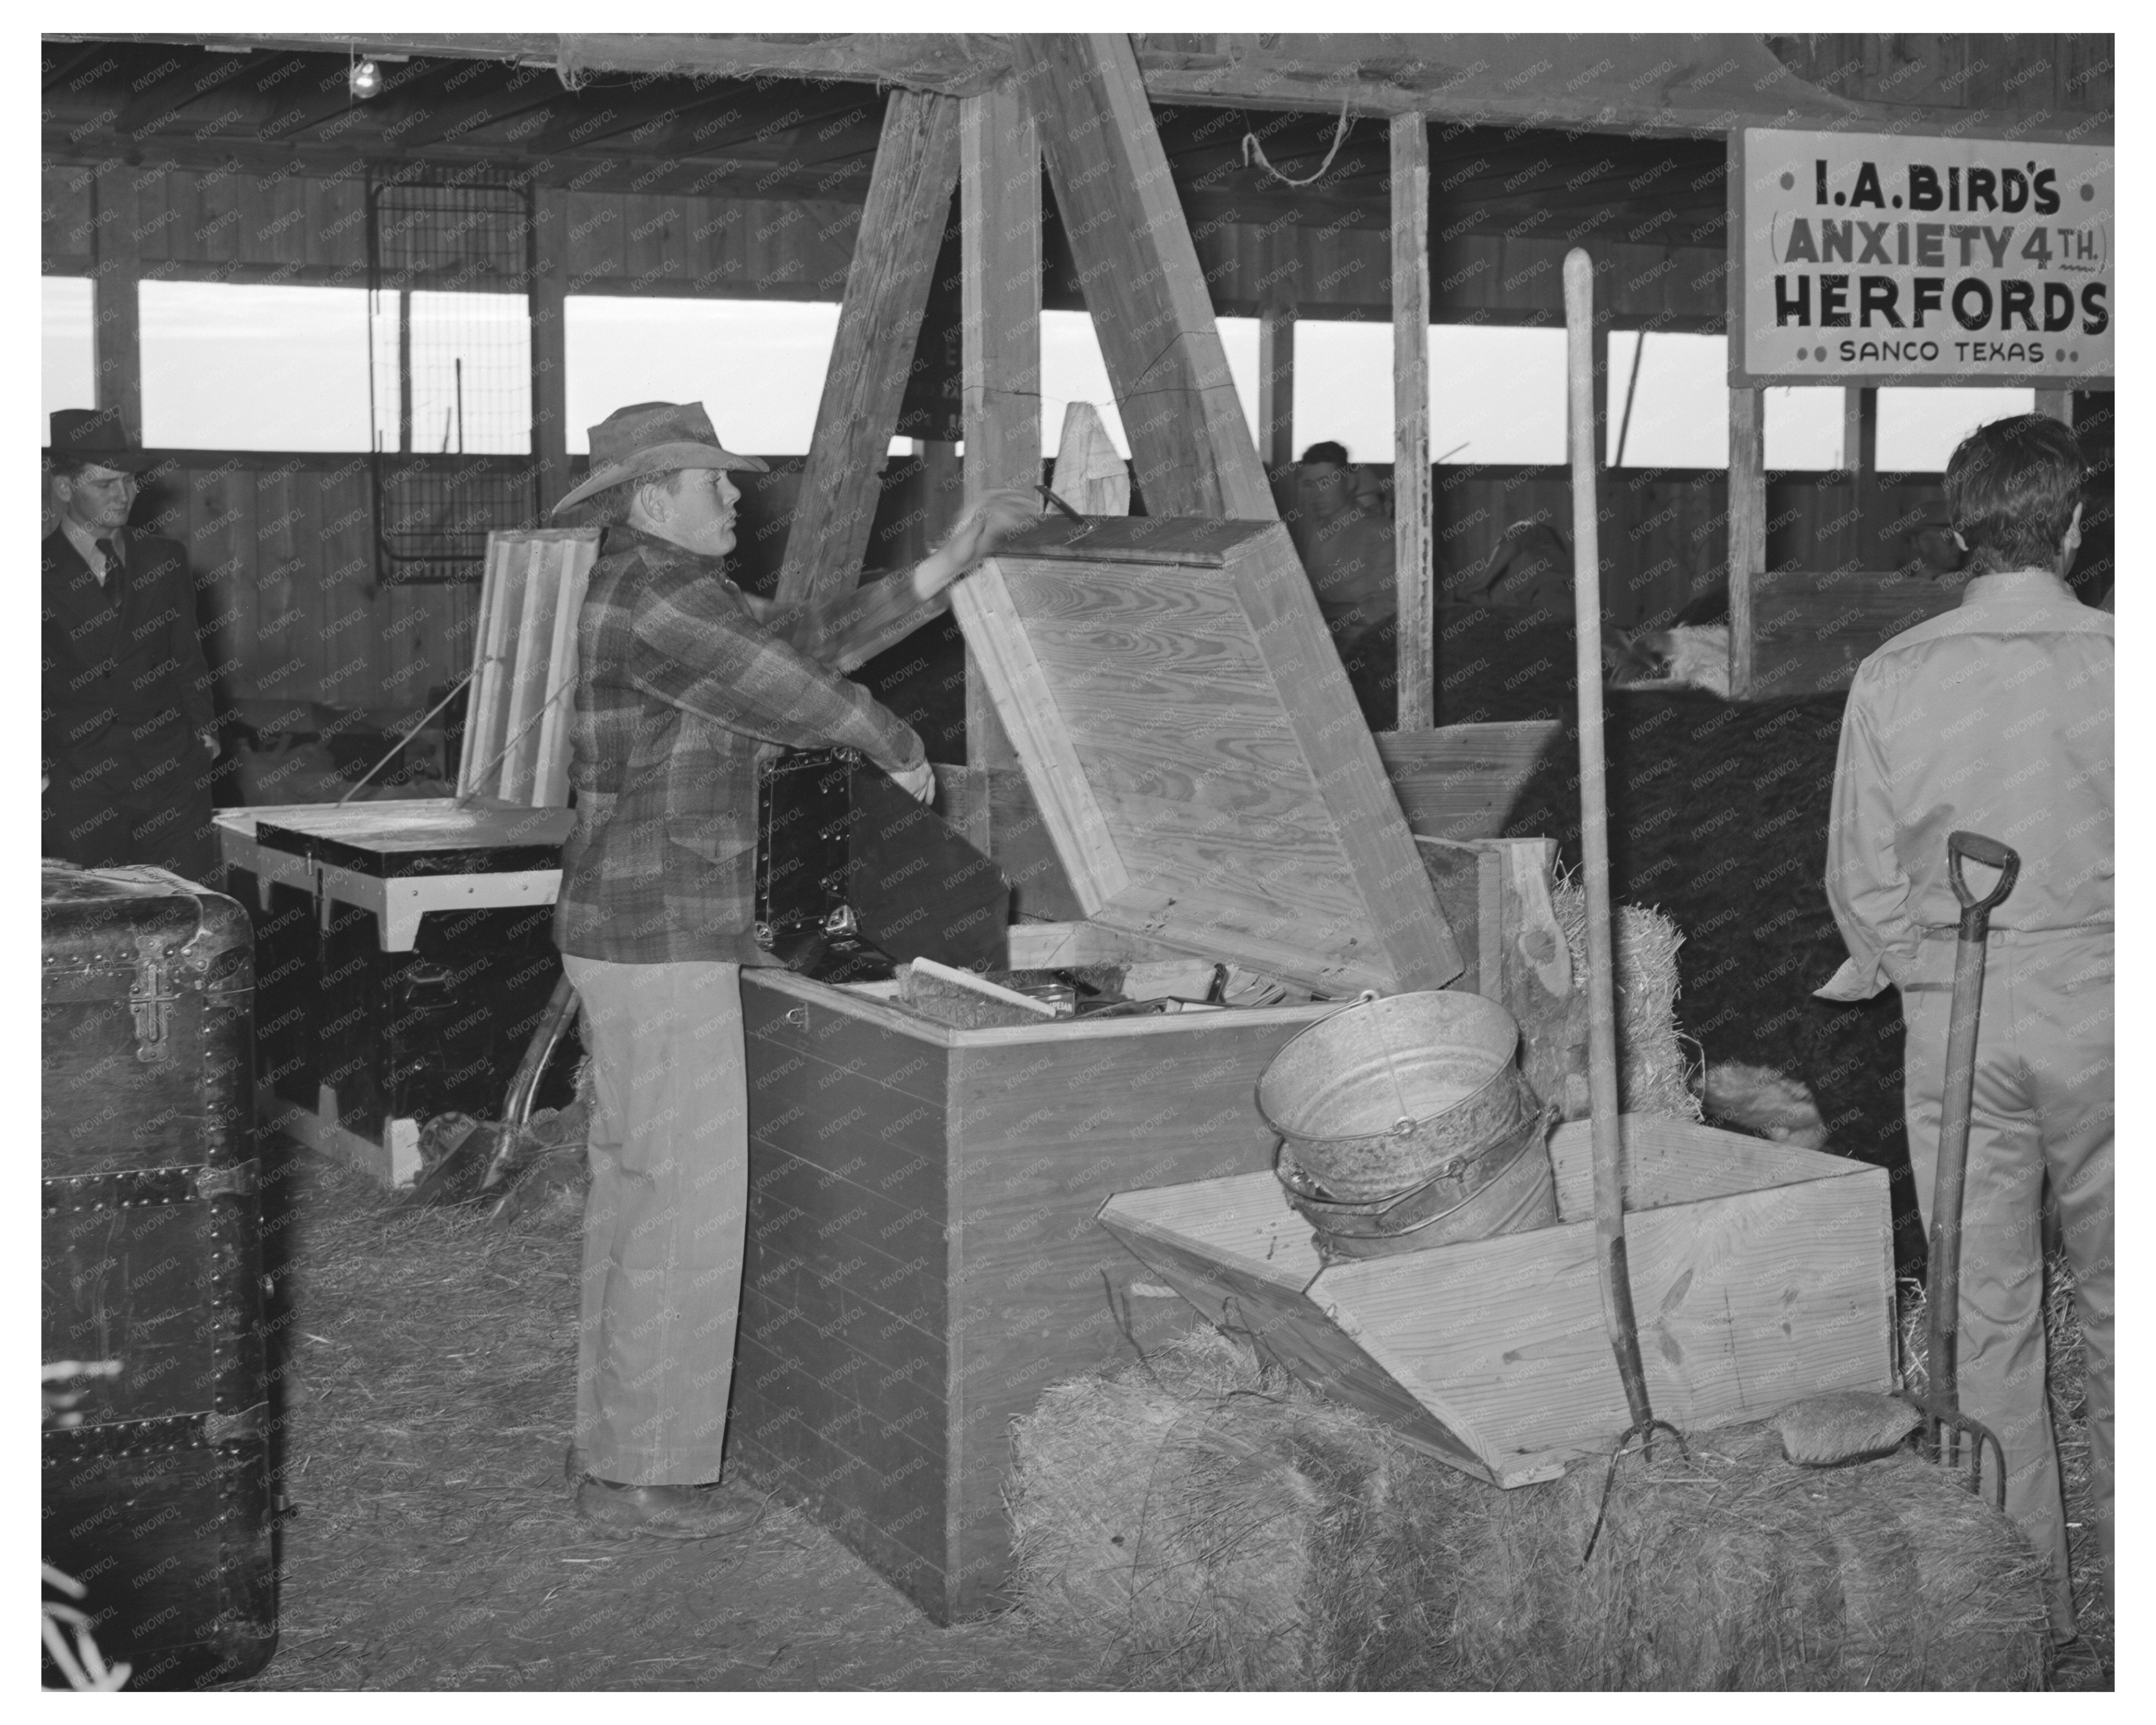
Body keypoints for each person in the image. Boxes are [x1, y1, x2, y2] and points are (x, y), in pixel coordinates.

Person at [551, 400, 1036, 1539]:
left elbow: (798, 638)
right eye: (713, 481)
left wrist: (943, 565)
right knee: (682, 1199)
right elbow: (800, 693)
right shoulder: (663, 598)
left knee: (638, 1186)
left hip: (634, 923)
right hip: (660, 927)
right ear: (650, 497)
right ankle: (647, 1471)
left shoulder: (672, 588)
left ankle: (618, 1435)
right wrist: (894, 739)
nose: (736, 495)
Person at [1819, 413, 2111, 1652]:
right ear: (2077, 525)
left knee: (1981, 1308)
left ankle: (2018, 1608)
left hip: (1959, 1005)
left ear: (1955, 530)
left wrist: (1916, 961)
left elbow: (1860, 878)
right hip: (2113, 1003)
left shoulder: (1896, 672)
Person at [42, 408, 219, 879]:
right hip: (77, 783)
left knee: (189, 913)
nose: (124, 495)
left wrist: (205, 734)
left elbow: (187, 653)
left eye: (130, 481)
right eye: (105, 484)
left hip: (172, 775)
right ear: (65, 488)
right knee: (89, 924)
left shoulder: (165, 558)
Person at [1290, 441, 1397, 726]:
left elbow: (1390, 606)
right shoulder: (1307, 536)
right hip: (1316, 657)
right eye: (1309, 484)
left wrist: (1326, 616)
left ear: (1349, 482)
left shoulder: (1380, 533)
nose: (1317, 493)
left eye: (1326, 482)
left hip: (1369, 661)